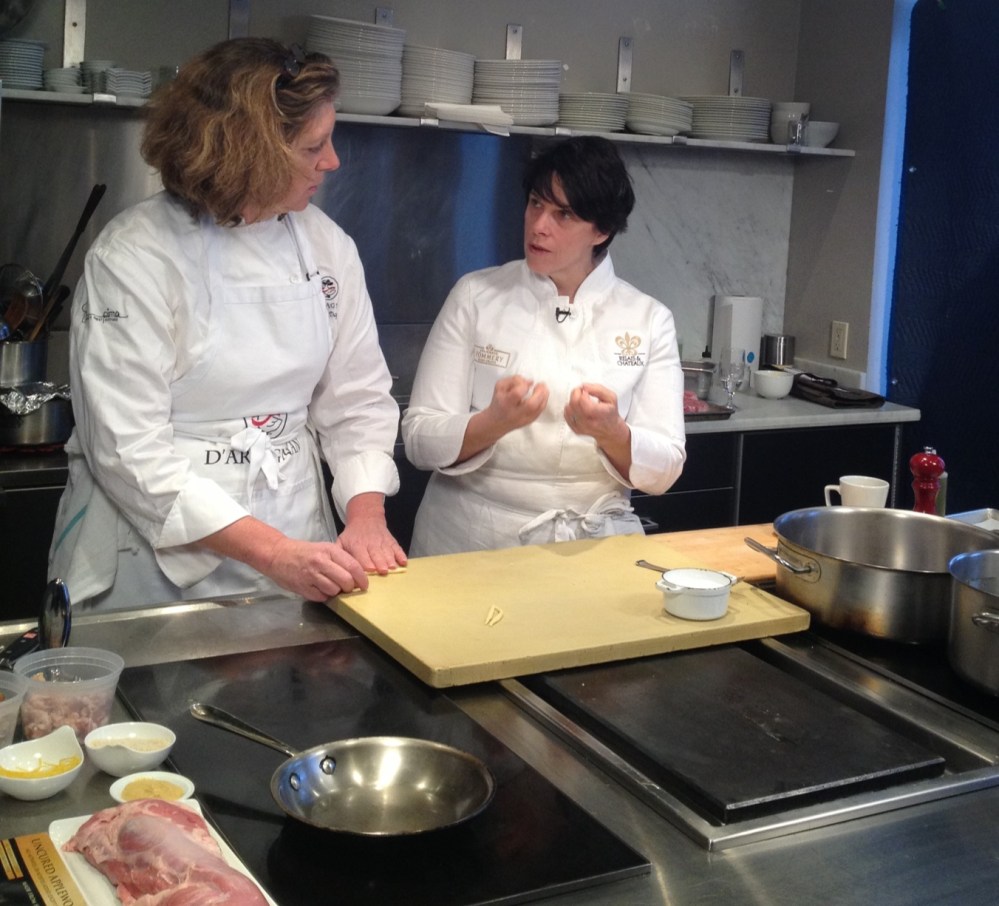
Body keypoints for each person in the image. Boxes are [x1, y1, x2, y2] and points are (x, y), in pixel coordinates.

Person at [48, 38, 407, 610]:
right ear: (251, 151)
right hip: (152, 562)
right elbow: (127, 449)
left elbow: (357, 400)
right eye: (314, 145)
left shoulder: (325, 246)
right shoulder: (135, 255)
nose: (333, 161)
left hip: (297, 541)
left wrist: (365, 514)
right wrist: (271, 553)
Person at [401, 136, 686, 555]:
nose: (539, 225)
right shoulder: (475, 295)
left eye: (564, 214)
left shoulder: (648, 319)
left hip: (592, 549)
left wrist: (613, 433)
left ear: (602, 230)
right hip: (469, 541)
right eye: (536, 203)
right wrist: (494, 422)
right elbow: (419, 438)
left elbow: (665, 469)